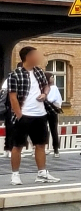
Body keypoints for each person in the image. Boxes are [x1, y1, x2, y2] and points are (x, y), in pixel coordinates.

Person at [7, 47, 60, 185]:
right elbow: (12, 97)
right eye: (36, 55)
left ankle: (42, 173)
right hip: (24, 115)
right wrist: (19, 116)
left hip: (40, 114)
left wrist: (45, 93)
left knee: (40, 145)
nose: (38, 57)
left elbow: (46, 86)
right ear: (28, 57)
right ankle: (15, 175)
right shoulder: (15, 75)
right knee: (17, 146)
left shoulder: (39, 72)